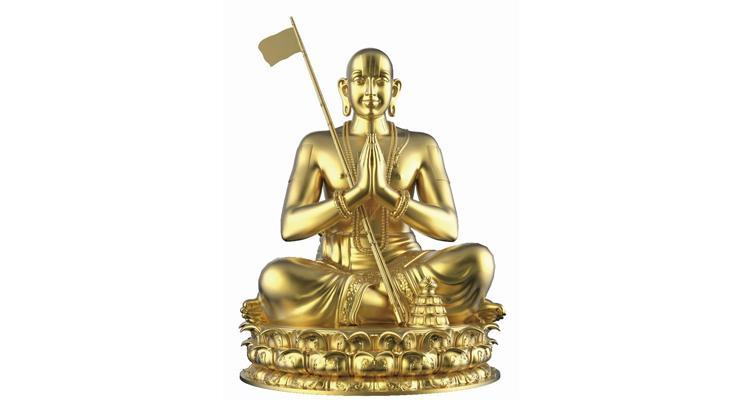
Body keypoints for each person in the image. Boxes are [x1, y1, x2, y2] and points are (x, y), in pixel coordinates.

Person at [243, 48, 503, 328]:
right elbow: (290, 227)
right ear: (345, 89)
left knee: (479, 260)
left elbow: (448, 228)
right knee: (275, 278)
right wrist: (355, 194)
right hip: (338, 271)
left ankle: (368, 307)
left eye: (380, 81)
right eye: (360, 80)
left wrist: (385, 194)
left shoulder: (421, 145)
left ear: (395, 89)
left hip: (406, 267)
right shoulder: (317, 144)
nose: (370, 90)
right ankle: (402, 310)